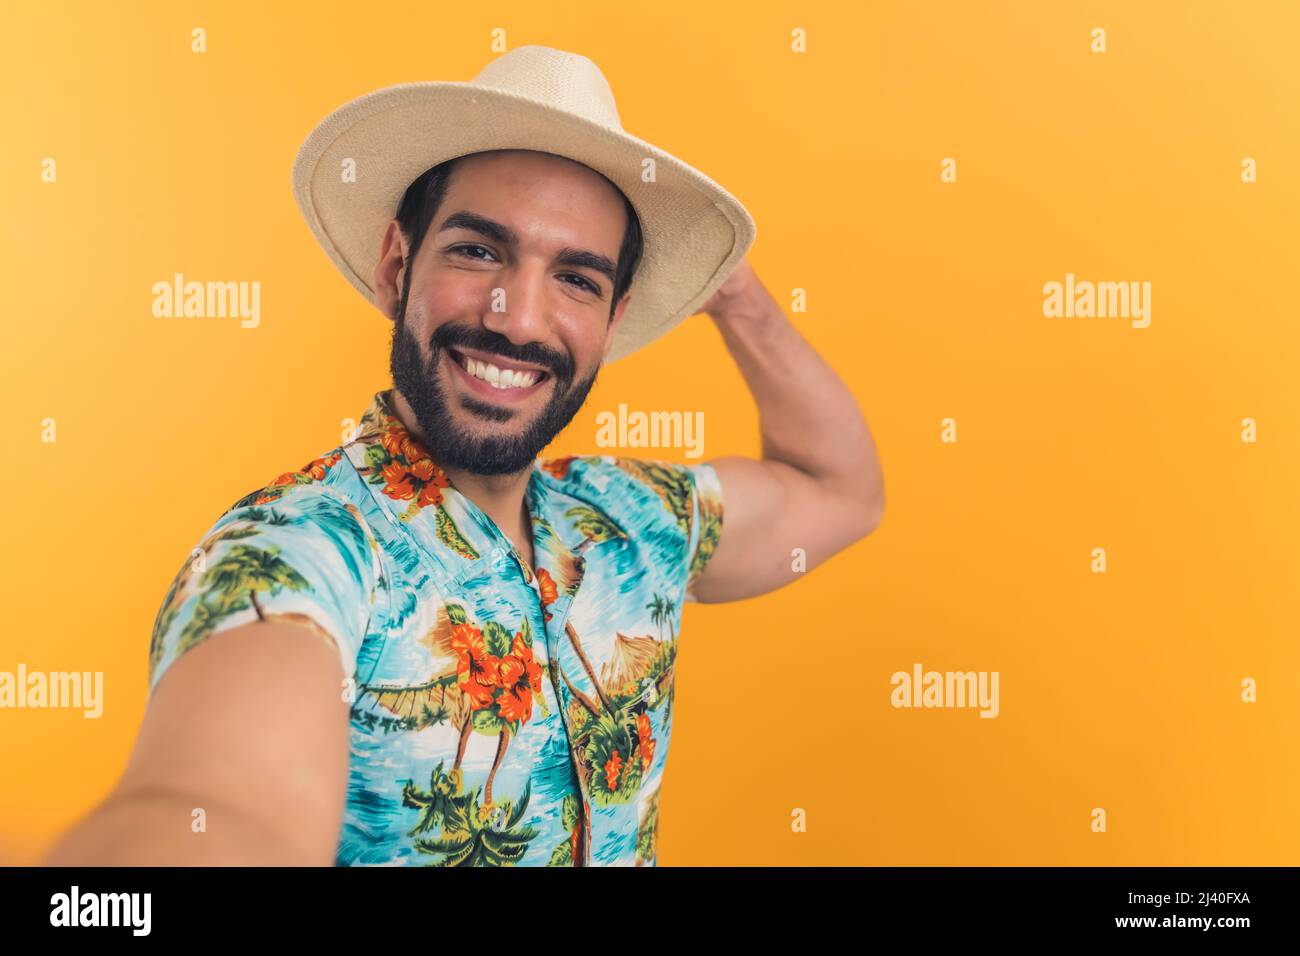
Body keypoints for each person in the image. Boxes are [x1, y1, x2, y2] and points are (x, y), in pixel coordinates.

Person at [45, 45, 884, 867]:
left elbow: (840, 488)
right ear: (395, 266)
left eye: (578, 280)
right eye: (479, 250)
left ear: (614, 322)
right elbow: (213, 811)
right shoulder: (294, 555)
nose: (518, 318)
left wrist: (724, 283)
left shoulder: (630, 522)